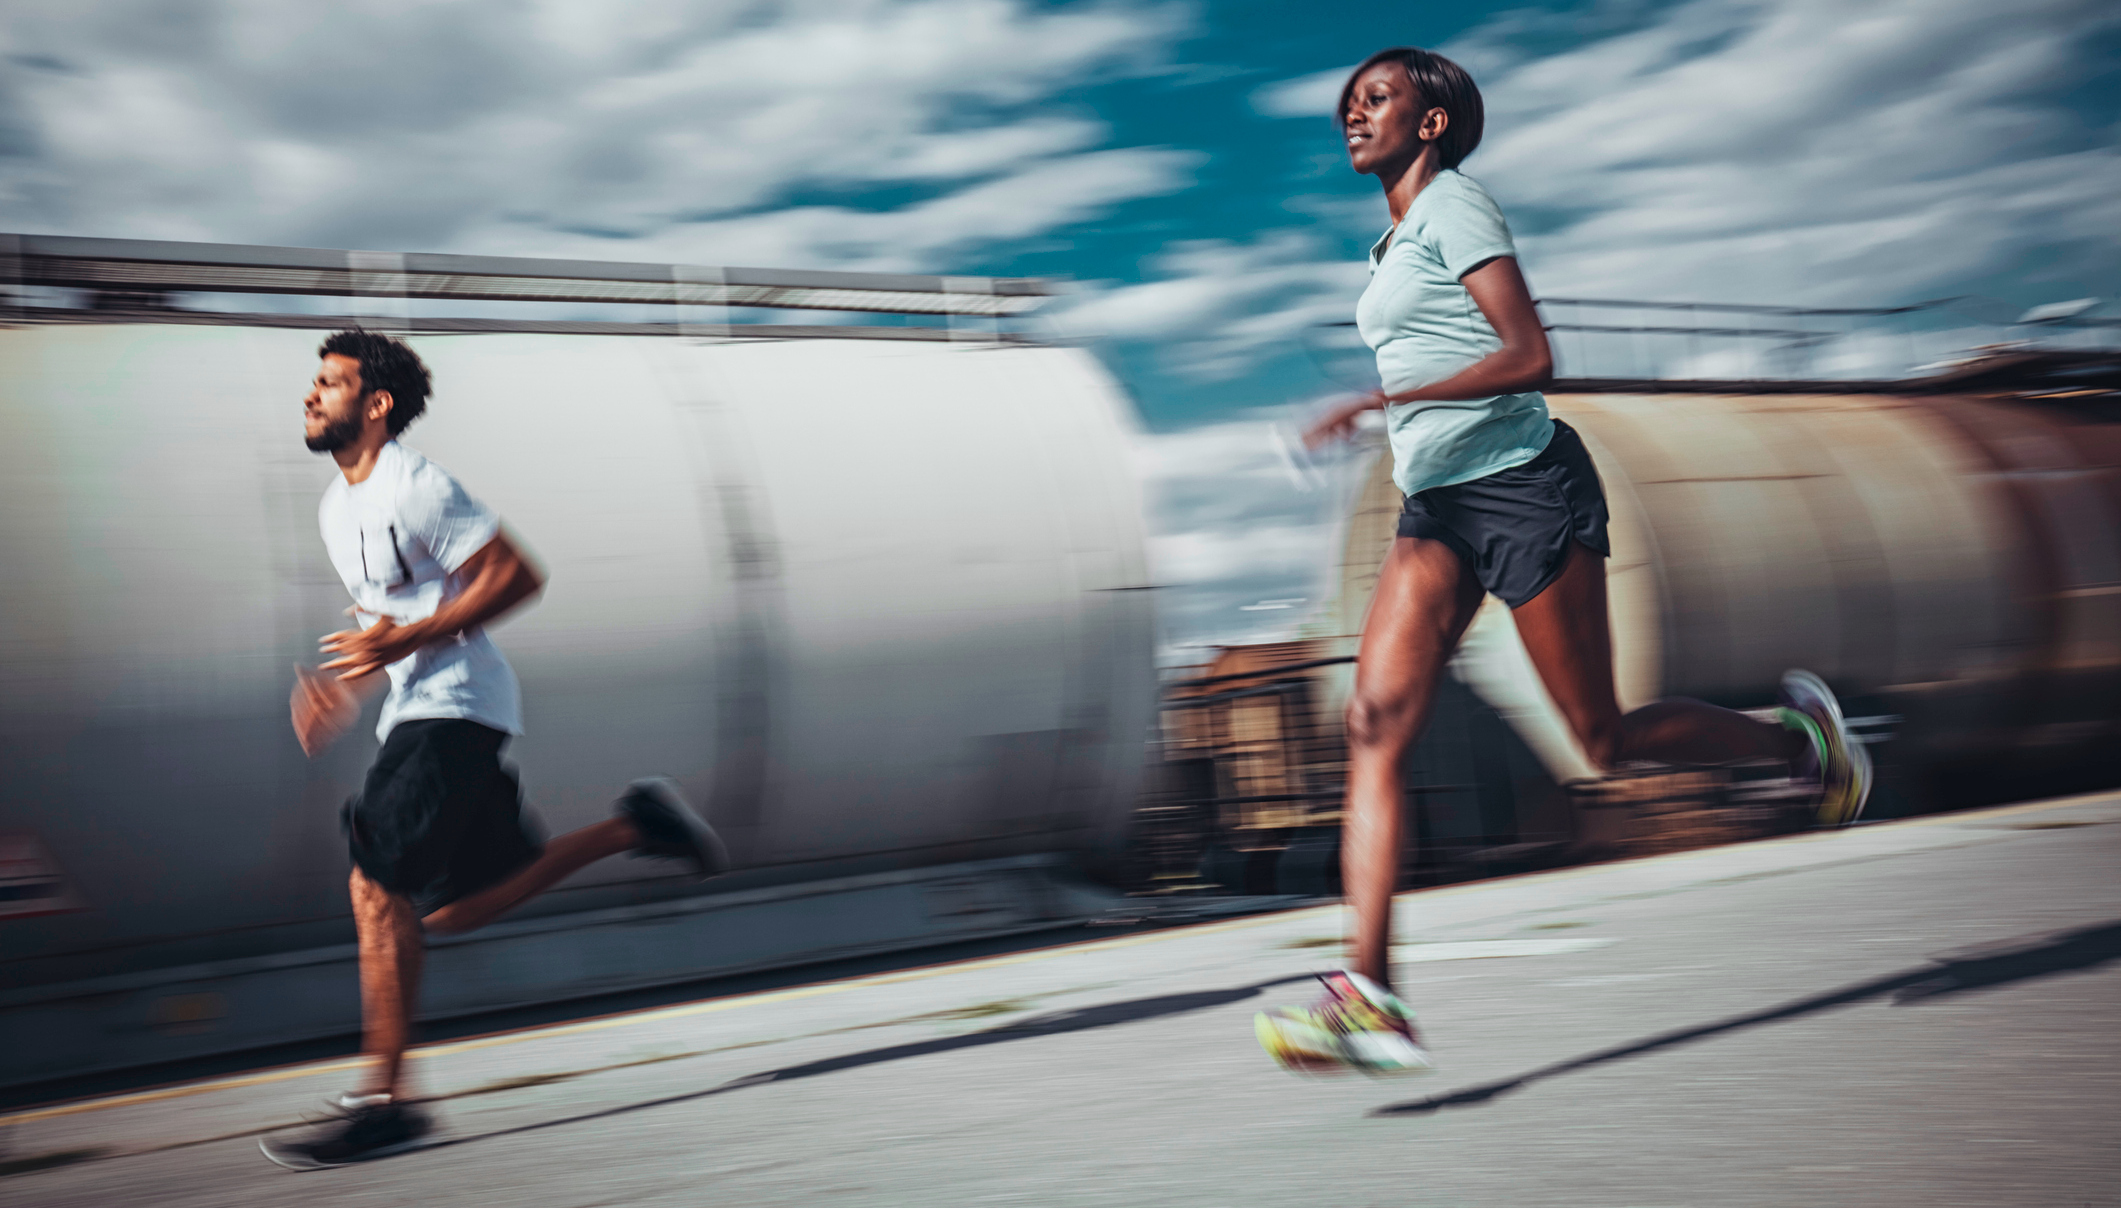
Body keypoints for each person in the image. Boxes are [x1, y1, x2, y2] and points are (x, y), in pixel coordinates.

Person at [1253, 47, 1870, 1076]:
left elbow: (1533, 355)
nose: (1353, 115)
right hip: (1438, 506)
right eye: (1347, 104)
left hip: (1527, 486)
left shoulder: (1457, 207)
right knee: (1374, 723)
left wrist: (1380, 401)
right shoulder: (1391, 246)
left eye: (1377, 98)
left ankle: (1803, 749)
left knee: (1603, 738)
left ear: (1433, 120)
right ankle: (1368, 993)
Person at [262, 331, 731, 1168]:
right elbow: (391, 621)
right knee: (445, 910)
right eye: (314, 381)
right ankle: (633, 826)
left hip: (457, 709)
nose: (310, 395)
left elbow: (515, 575)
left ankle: (386, 1101)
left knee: (374, 889)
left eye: (330, 384)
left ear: (375, 406)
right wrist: (351, 681)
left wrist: (401, 643)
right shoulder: (339, 507)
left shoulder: (416, 484)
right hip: (421, 708)